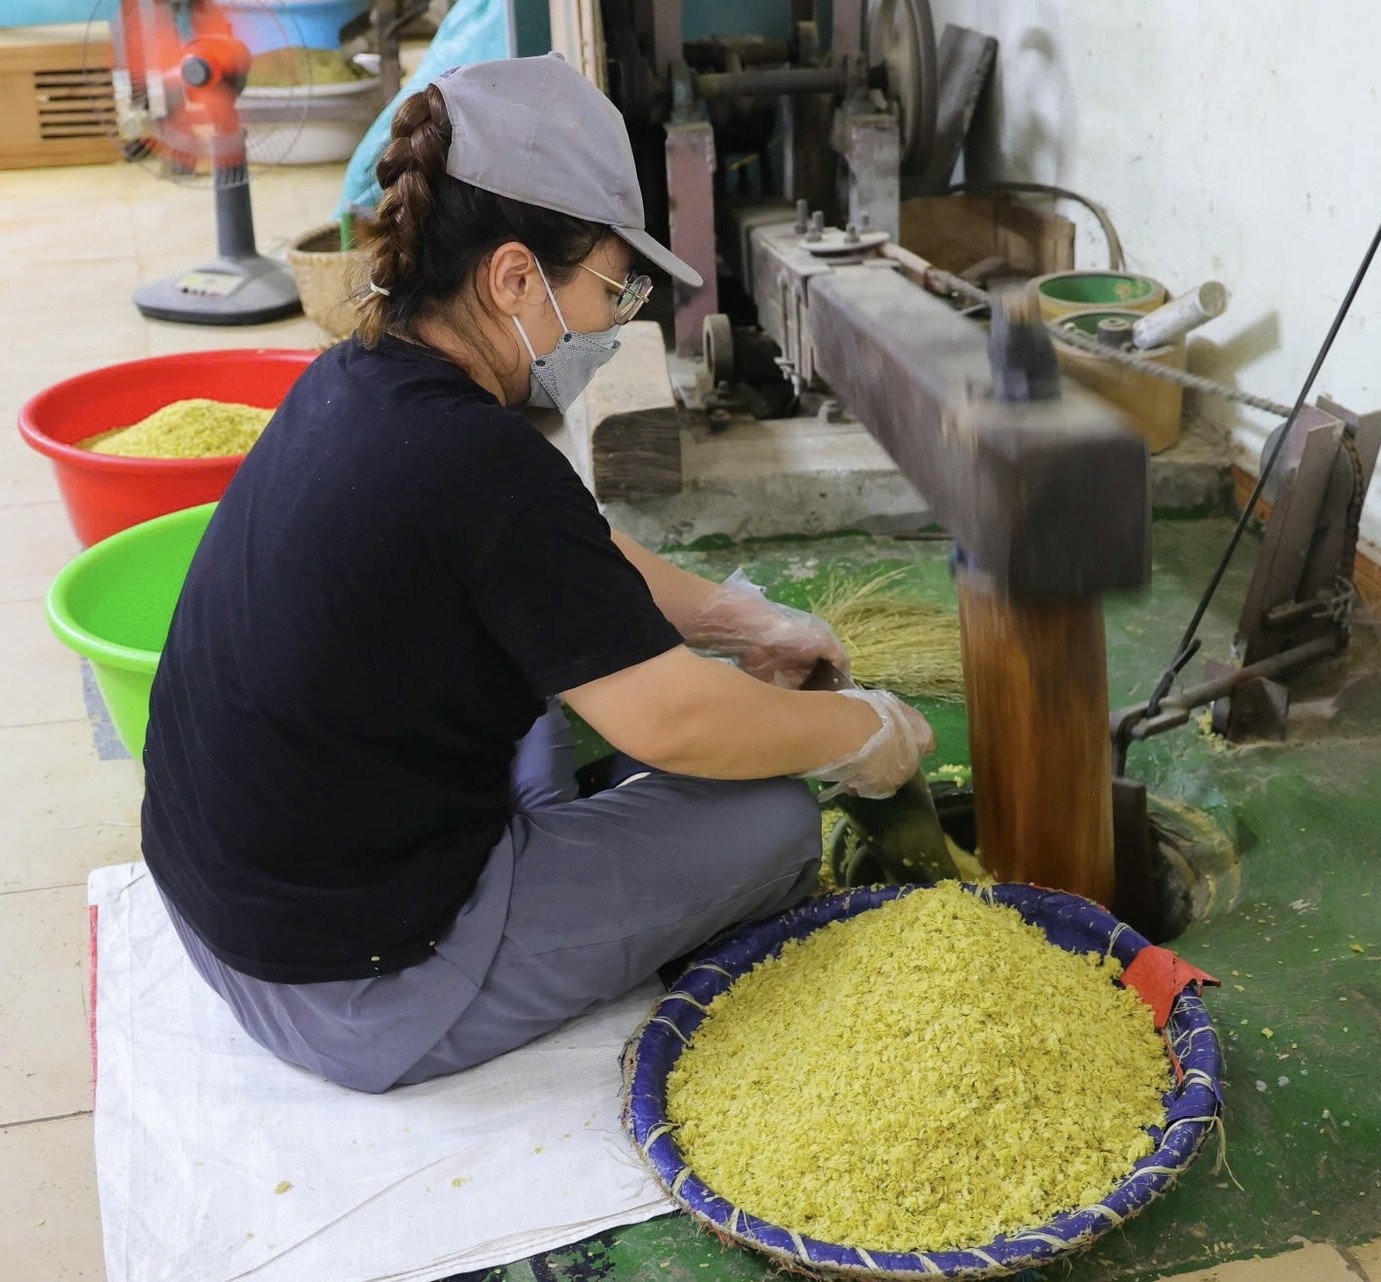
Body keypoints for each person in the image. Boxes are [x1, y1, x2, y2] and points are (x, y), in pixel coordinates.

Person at [140, 55, 934, 1095]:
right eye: (610, 288)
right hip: (351, 991)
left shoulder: (360, 373)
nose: (611, 321)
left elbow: (566, 556)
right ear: (513, 276)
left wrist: (735, 620)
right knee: (773, 823)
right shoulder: (484, 466)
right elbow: (675, 723)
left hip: (230, 904)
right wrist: (858, 735)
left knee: (554, 700)